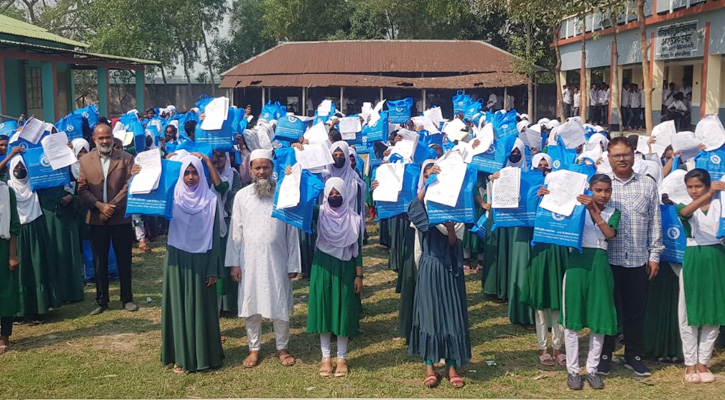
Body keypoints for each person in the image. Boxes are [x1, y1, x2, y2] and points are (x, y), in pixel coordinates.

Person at [225, 149, 300, 368]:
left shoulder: (284, 193)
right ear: (249, 170)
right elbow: (235, 232)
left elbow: (292, 233)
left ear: (272, 168)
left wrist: (293, 263)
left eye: (265, 167)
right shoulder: (241, 196)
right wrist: (234, 264)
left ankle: (282, 348)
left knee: (280, 303)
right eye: (257, 167)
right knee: (251, 305)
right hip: (249, 261)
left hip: (278, 259)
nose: (261, 172)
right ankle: (254, 349)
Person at [598, 137, 663, 376]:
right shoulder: (602, 186)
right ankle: (604, 354)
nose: (622, 159)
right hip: (608, 258)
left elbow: (655, 221)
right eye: (616, 155)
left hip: (637, 258)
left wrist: (654, 254)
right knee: (608, 309)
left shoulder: (647, 185)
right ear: (608, 158)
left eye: (625, 154)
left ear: (634, 155)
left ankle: (633, 355)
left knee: (636, 310)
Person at [407, 163, 471, 389]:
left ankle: (452, 365)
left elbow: (455, 244)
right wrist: (428, 184)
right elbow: (413, 209)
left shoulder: (456, 209)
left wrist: (451, 229)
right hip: (430, 267)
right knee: (429, 315)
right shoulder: (424, 209)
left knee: (451, 315)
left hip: (450, 269)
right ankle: (429, 366)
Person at [160, 155, 224, 373]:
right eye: (186, 172)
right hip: (177, 259)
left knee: (201, 308)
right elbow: (150, 207)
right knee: (178, 307)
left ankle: (205, 356)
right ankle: (180, 355)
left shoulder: (210, 200)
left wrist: (214, 268)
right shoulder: (171, 197)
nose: (190, 177)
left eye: (194, 172)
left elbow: (215, 238)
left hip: (202, 260)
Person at [562, 174, 620, 390]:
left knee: (599, 318)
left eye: (607, 190)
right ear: (590, 189)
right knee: (572, 319)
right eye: (598, 190)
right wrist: (547, 197)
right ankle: (573, 370)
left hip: (599, 267)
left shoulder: (613, 212)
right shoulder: (576, 208)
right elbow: (554, 214)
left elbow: (609, 234)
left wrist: (594, 212)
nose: (603, 195)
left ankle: (592, 369)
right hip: (576, 265)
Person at [77, 123, 137, 315]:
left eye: (108, 137)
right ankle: (102, 300)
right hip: (96, 217)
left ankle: (127, 298)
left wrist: (111, 205)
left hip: (120, 217)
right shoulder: (86, 160)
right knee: (99, 260)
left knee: (124, 258)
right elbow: (82, 189)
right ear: (94, 139)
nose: (105, 141)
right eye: (101, 138)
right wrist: (99, 206)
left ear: (112, 138)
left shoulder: (126, 159)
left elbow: (129, 186)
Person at [307, 177, 364, 377]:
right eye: (330, 193)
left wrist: (359, 275)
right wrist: (292, 176)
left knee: (343, 310)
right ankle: (325, 357)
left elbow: (358, 249)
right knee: (324, 309)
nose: (334, 196)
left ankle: (342, 358)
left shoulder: (354, 219)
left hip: (345, 268)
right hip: (322, 265)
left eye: (338, 192)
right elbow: (300, 203)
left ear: (344, 194)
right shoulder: (319, 213)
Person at [676, 169, 725, 383]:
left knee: (714, 308)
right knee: (688, 309)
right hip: (694, 256)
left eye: (698, 186)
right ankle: (690, 362)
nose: (693, 191)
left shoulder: (721, 205)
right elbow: (685, 213)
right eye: (690, 187)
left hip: (716, 256)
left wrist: (716, 195)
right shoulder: (683, 204)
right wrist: (709, 193)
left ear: (707, 184)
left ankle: (703, 361)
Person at [8, 156, 61, 319]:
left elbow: (54, 174)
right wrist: (11, 155)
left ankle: (41, 307)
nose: (19, 170)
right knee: (20, 271)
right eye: (16, 167)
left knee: (38, 267)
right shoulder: (7, 188)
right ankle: (20, 310)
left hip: (36, 229)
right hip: (16, 233)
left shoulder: (35, 184)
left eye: (22, 166)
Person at [527, 153, 567, 367]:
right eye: (539, 165)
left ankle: (558, 346)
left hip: (558, 249)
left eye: (547, 166)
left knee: (558, 301)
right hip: (540, 250)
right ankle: (542, 346)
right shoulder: (532, 193)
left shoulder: (562, 193)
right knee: (542, 302)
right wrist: (537, 198)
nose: (543, 168)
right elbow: (526, 218)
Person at [210, 150, 243, 316]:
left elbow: (236, 194)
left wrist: (227, 194)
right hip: (210, 223)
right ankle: (217, 304)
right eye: (215, 160)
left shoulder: (233, 174)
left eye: (222, 157)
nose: (220, 162)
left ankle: (229, 304)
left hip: (228, 219)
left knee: (228, 260)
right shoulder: (203, 175)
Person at [0, 177, 21, 353]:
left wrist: (12, 254)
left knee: (5, 292)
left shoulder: (7, 191)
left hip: (3, 245)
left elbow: (14, 223)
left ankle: (4, 335)